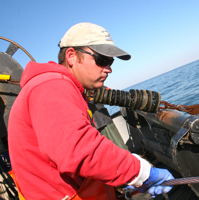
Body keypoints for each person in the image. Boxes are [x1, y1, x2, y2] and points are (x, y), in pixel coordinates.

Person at [8, 22, 174, 200]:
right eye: (102, 60)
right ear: (71, 56)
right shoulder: (51, 86)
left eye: (110, 62)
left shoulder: (58, 86)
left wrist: (129, 176)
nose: (108, 69)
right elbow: (78, 148)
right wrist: (142, 173)